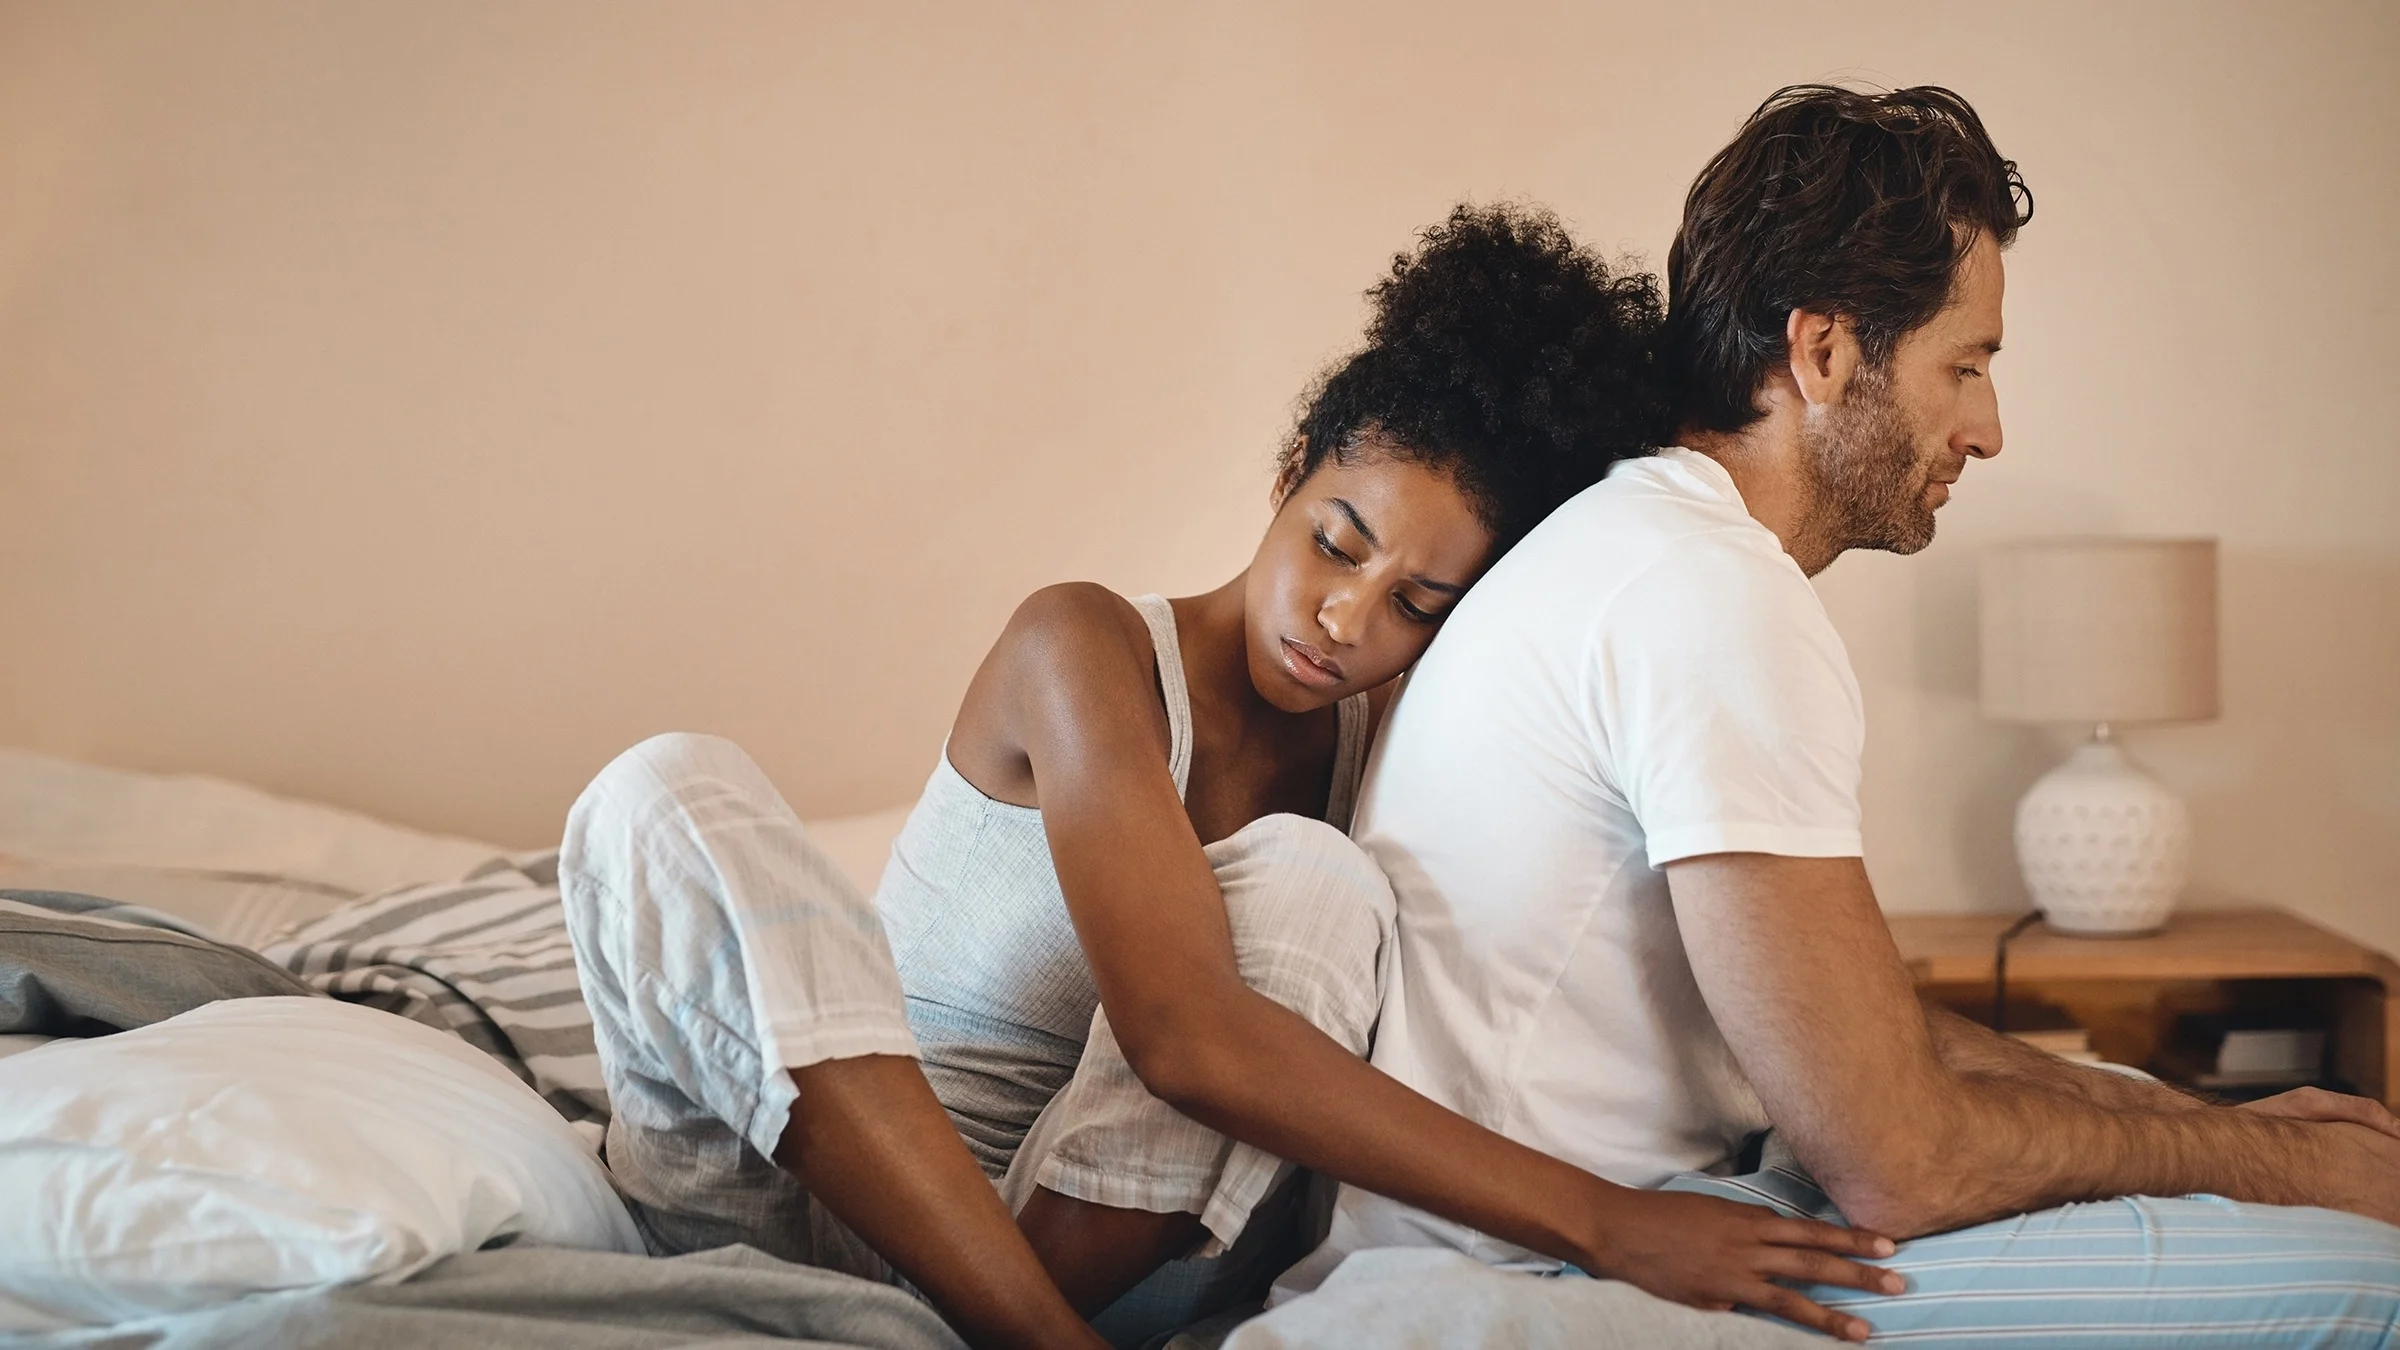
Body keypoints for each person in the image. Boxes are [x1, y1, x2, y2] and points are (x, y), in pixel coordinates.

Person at [557, 203, 1903, 1350]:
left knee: (1321, 884)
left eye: (1417, 602)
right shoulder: (1079, 645)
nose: (1344, 617)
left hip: (1084, 1257)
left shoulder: (1401, 753)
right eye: (1336, 541)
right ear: (1284, 477)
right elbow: (1183, 1033)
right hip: (801, 1205)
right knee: (668, 789)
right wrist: (1602, 1220)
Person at [1277, 84, 2400, 1343]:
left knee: (2159, 1110)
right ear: (1822, 354)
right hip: (1528, 1276)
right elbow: (1900, 1160)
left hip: (1615, 1210)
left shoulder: (1650, 543)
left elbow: (1843, 1026)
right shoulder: (1711, 596)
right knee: (2371, 1279)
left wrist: (2203, 1125)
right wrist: (2297, 1170)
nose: (1988, 427)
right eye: (1962, 365)